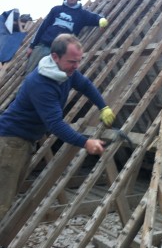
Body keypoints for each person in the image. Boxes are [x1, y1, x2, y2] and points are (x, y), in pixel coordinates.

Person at [0, 33, 115, 221]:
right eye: (72, 61)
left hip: (23, 141)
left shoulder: (65, 72)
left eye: (79, 61)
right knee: (2, 199)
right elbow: (55, 124)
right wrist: (85, 142)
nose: (76, 66)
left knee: (7, 195)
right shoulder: (41, 82)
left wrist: (103, 106)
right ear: (55, 57)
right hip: (10, 142)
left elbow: (85, 85)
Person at [25, 0, 108, 74]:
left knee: (51, 77)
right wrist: (32, 46)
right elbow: (42, 27)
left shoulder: (82, 14)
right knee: (31, 74)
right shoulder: (56, 10)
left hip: (61, 52)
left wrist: (102, 21)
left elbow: (96, 18)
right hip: (43, 47)